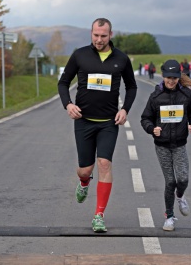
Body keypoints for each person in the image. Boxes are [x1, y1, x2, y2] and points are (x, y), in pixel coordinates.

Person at [57, 18, 137, 233]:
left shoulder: (121, 58)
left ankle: (99, 215)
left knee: (104, 164)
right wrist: (68, 104)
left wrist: (125, 109)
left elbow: (132, 87)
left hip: (109, 123)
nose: (99, 39)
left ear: (111, 35)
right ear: (91, 33)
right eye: (95, 35)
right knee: (85, 169)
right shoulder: (80, 55)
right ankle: (84, 182)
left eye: (103, 35)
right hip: (83, 121)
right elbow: (63, 83)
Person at [140, 60, 191, 231]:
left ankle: (180, 196)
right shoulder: (156, 96)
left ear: (179, 77)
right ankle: (169, 217)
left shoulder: (186, 94)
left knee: (183, 179)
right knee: (170, 181)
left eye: (174, 78)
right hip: (162, 145)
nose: (171, 81)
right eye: (168, 78)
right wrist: (152, 129)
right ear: (163, 76)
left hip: (180, 144)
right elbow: (145, 118)